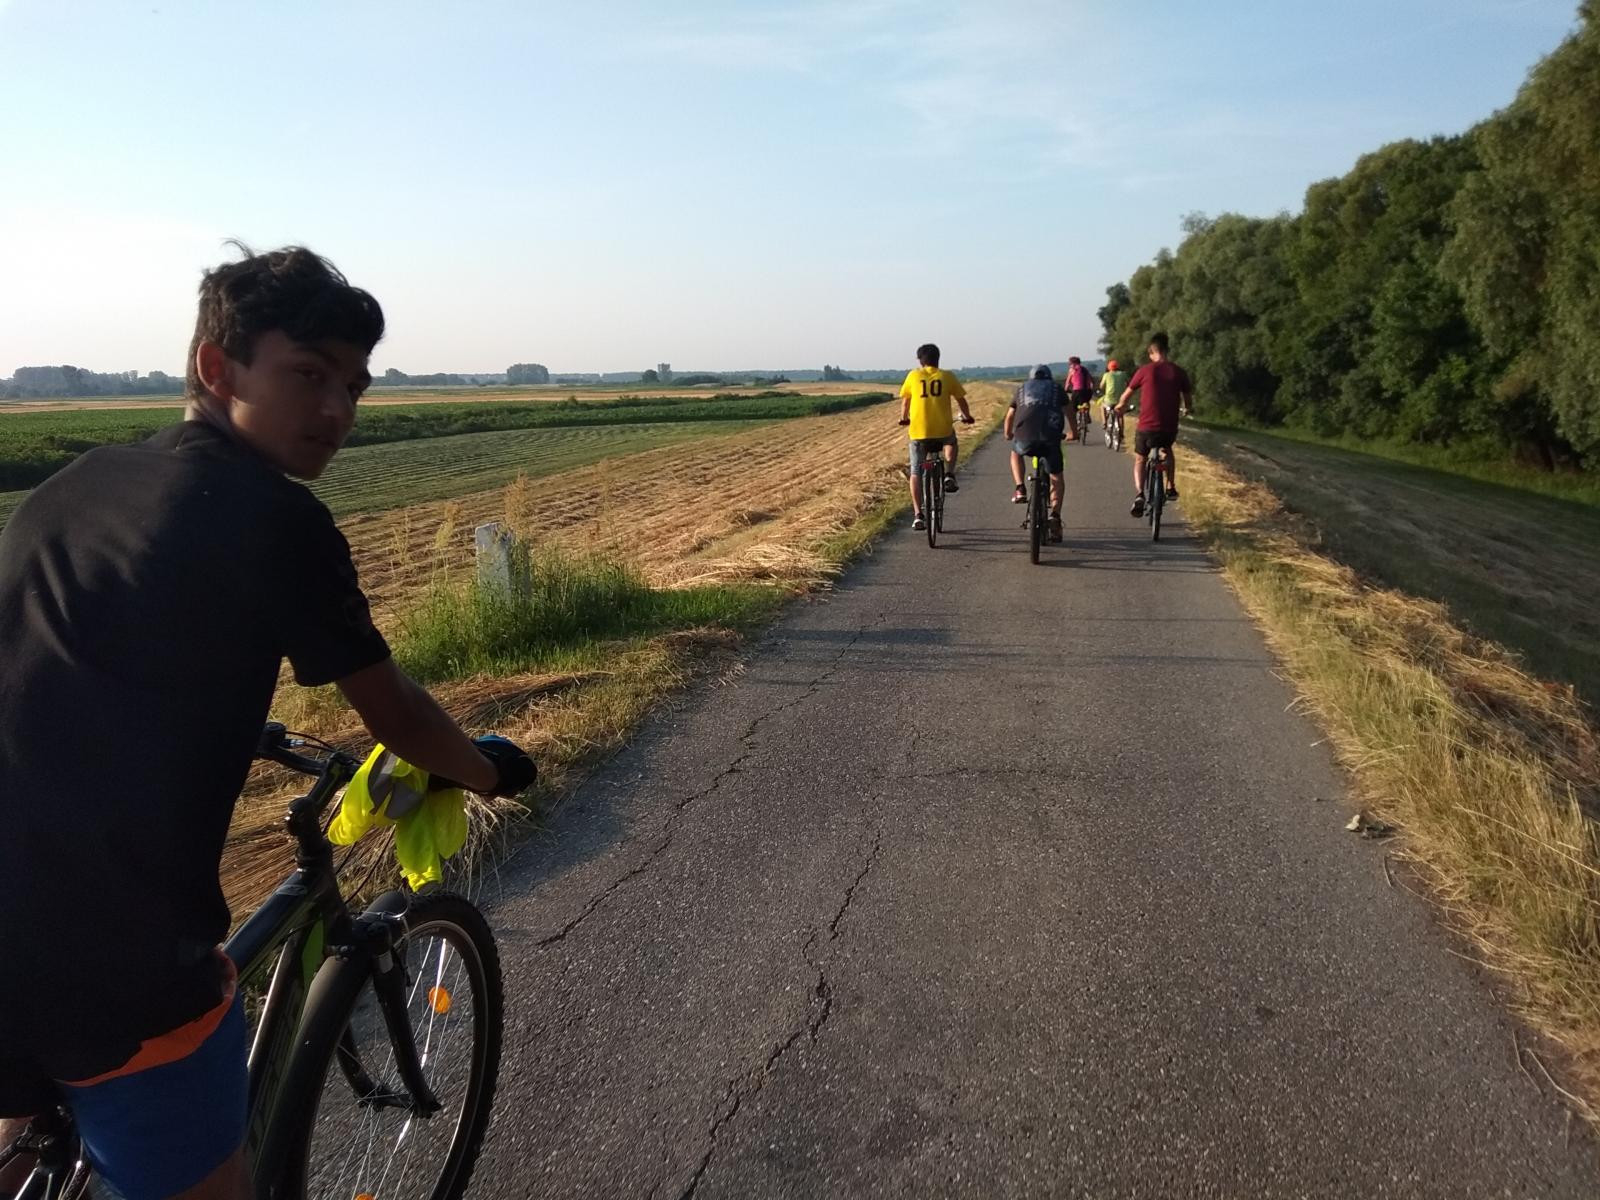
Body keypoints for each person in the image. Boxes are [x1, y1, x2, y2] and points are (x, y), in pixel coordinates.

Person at [0, 246, 537, 1200]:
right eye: (309, 374)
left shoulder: (77, 484)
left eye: (354, 387)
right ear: (219, 367)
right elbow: (396, 712)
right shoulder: (276, 521)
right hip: (111, 952)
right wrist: (489, 771)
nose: (337, 409)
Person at [897, 343, 974, 532]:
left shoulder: (913, 376)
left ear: (920, 361)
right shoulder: (947, 376)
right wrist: (967, 416)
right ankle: (949, 474)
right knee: (951, 442)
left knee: (916, 472)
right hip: (942, 430)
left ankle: (918, 515)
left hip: (918, 432)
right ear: (938, 359)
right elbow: (961, 400)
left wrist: (904, 418)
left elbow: (906, 401)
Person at [1116, 331, 1194, 516]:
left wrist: (1120, 406)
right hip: (1168, 428)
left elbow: (1126, 395)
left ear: (1151, 353)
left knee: (1140, 458)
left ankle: (1140, 494)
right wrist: (1188, 409)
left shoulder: (1145, 371)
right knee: (1167, 450)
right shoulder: (1178, 371)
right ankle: (1170, 486)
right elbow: (1187, 398)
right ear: (1167, 350)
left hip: (1146, 427)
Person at [1005, 364, 1067, 542]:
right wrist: (1074, 433)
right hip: (1050, 436)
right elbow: (1069, 411)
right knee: (1056, 476)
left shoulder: (1022, 389)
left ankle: (1020, 488)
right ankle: (1055, 516)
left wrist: (1008, 434)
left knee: (1016, 452)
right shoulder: (1056, 388)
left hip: (1024, 436)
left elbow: (1010, 415)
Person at [1064, 355, 1095, 440]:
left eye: (1069, 363)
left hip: (1077, 391)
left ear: (1072, 363)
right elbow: (1092, 381)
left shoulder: (1072, 370)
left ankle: (1074, 429)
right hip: (1087, 391)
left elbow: (1067, 383)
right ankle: (1087, 415)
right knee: (1086, 402)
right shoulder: (1085, 369)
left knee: (1073, 409)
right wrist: (1091, 388)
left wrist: (1066, 390)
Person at [1099, 358, 1129, 445]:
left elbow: (1101, 386)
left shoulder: (1107, 375)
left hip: (1109, 399)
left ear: (1109, 367)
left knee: (1102, 406)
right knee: (1120, 416)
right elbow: (1129, 383)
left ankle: (1104, 422)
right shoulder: (1123, 374)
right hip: (1120, 399)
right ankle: (1121, 434)